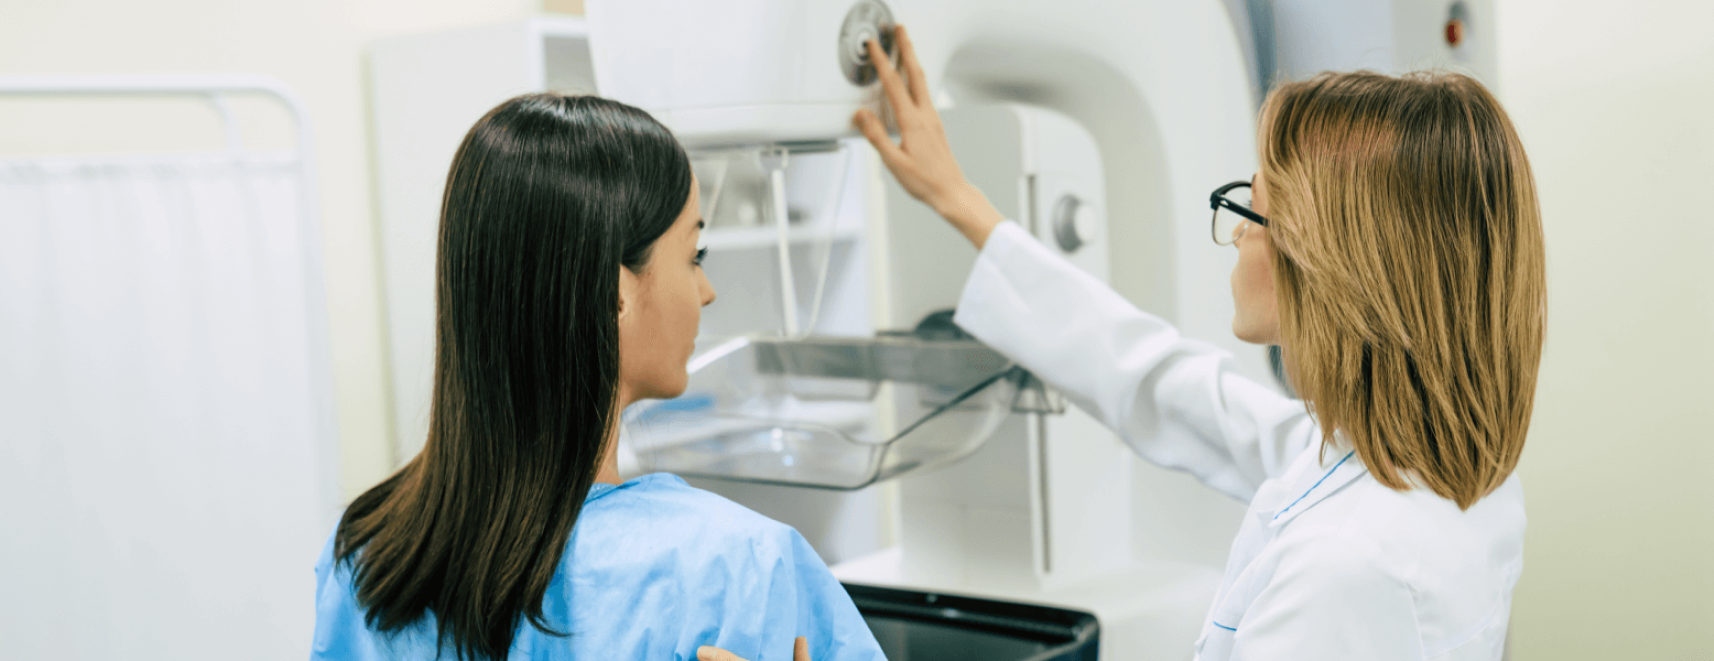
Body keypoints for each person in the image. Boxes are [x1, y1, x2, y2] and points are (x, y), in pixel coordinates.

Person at [706, 24, 1544, 661]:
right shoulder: (1437, 470)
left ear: (1332, 264)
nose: (1234, 234)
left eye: (1253, 207)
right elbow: (1174, 388)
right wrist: (960, 199)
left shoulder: (1349, 566)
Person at [311, 94, 887, 661]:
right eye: (694, 255)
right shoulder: (738, 567)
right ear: (612, 297)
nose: (706, 291)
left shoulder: (368, 559)